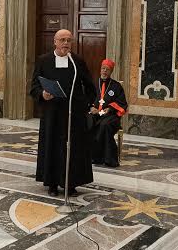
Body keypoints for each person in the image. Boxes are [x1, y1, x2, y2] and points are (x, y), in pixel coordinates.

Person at [29, 29, 95, 196]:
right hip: (52, 114)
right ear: (55, 42)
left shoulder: (77, 61)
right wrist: (42, 94)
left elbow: (90, 87)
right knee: (52, 146)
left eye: (69, 40)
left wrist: (84, 105)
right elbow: (34, 86)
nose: (66, 43)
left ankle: (70, 183)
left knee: (73, 149)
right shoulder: (44, 61)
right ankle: (52, 183)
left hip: (73, 114)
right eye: (62, 40)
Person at [87, 58, 127, 168]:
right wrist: (91, 107)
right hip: (95, 114)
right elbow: (87, 98)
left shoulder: (116, 86)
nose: (104, 71)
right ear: (100, 69)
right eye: (103, 68)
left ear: (111, 71)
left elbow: (122, 103)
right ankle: (90, 156)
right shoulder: (93, 84)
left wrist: (109, 109)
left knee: (104, 125)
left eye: (107, 69)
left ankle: (108, 158)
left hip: (110, 116)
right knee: (87, 122)